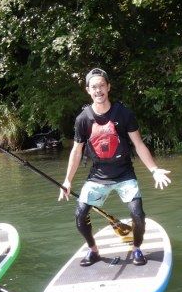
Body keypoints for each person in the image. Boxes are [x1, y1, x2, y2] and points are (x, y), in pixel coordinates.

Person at [58, 68, 172, 266]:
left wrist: (153, 169)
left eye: (102, 85)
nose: (98, 90)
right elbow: (76, 152)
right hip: (98, 175)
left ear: (108, 87)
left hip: (124, 173)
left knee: (138, 215)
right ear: (88, 90)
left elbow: (139, 144)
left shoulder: (124, 113)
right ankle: (93, 250)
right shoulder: (83, 119)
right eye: (94, 87)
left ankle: (137, 249)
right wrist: (68, 180)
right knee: (80, 214)